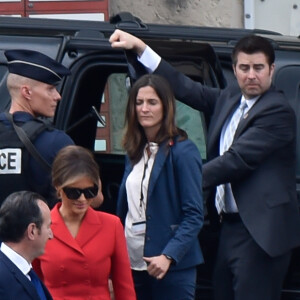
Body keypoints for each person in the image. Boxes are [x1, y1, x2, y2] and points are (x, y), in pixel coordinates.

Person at [110, 30, 300, 300]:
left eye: (258, 67)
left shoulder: (278, 110)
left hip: (260, 233)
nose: (251, 75)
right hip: (229, 227)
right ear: (234, 69)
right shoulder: (231, 98)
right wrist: (142, 49)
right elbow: (186, 87)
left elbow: (236, 160)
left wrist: (172, 180)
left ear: (271, 69)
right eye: (244, 68)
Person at [117, 73, 204, 300]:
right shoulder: (133, 151)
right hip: (132, 262)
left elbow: (194, 215)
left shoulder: (184, 152)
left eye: (152, 102)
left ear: (166, 107)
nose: (144, 108)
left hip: (170, 267)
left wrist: (168, 255)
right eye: (139, 102)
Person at [33, 145, 136, 300]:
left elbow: (124, 288)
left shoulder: (111, 225)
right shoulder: (40, 226)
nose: (82, 199)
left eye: (90, 192)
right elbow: (34, 282)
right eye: (73, 192)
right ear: (58, 187)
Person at [0, 49, 74, 209]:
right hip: (43, 233)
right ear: (26, 92)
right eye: (50, 89)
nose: (57, 96)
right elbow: (90, 197)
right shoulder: (57, 142)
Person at [0, 190, 53, 300]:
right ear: (32, 231)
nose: (51, 235)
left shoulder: (27, 272)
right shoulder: (3, 277)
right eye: (48, 227)